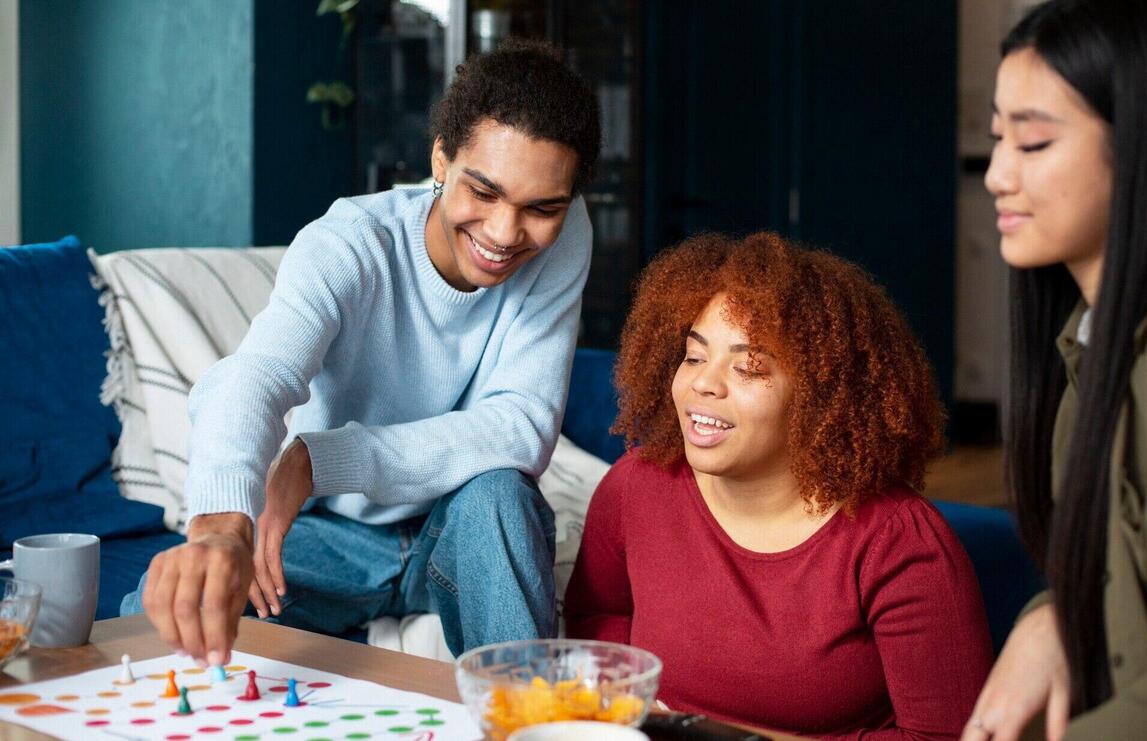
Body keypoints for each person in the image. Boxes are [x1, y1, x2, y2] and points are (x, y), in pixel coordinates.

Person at [121, 39, 601, 665]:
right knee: (153, 622)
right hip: (330, 538)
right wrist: (220, 526)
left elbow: (523, 427)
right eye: (482, 192)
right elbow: (258, 375)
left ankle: (524, 718)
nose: (506, 233)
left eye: (541, 209)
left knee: (499, 496)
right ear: (440, 159)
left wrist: (322, 461)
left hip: (453, 534)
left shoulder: (566, 237)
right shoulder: (351, 242)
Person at [564, 232, 992, 738]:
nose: (704, 383)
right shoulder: (636, 486)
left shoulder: (901, 545)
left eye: (748, 367)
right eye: (695, 357)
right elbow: (599, 613)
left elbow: (947, 736)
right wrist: (631, 703)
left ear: (821, 398)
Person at [963, 1, 1147, 739]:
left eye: (1032, 143)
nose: (997, 175)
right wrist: (1053, 612)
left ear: (1145, 147)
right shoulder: (1085, 341)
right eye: (998, 138)